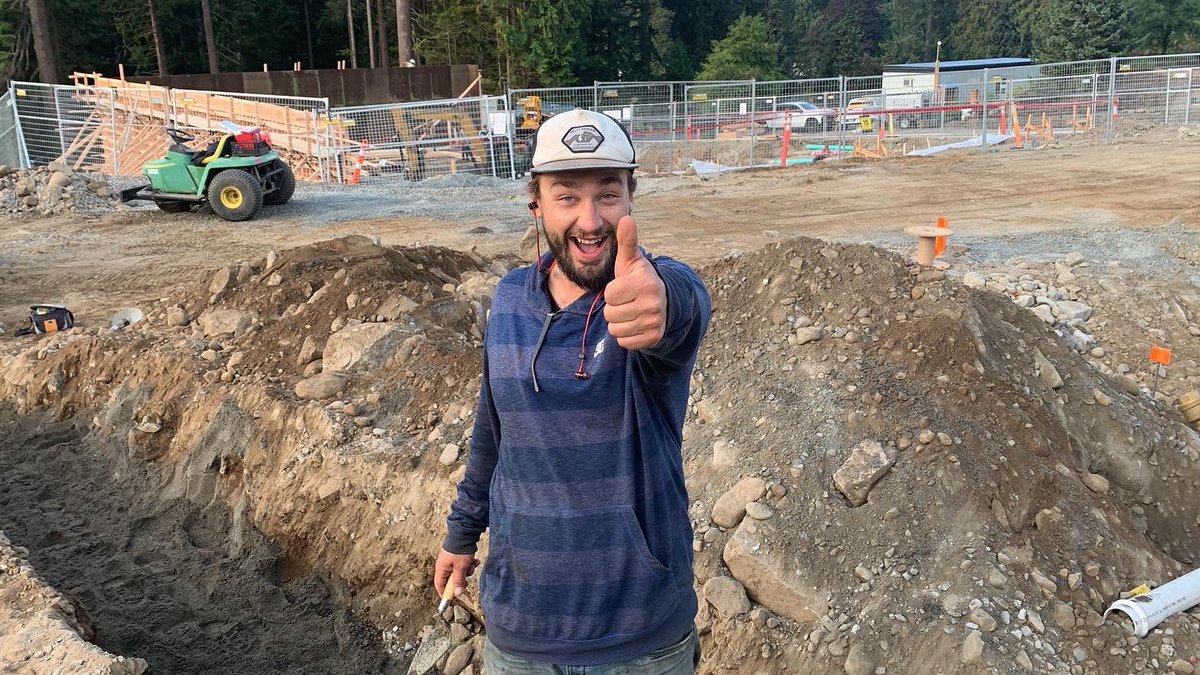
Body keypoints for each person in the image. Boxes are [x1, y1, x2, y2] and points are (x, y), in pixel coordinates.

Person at [433, 108, 712, 673]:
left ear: (631, 198)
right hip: (522, 635)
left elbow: (683, 304)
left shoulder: (645, 298)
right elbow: (494, 430)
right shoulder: (509, 300)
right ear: (536, 204)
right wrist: (462, 534)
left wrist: (665, 300)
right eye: (567, 197)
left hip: (639, 640)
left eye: (607, 194)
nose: (590, 220)